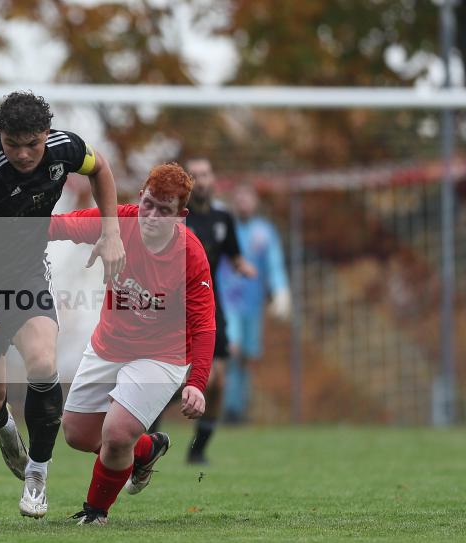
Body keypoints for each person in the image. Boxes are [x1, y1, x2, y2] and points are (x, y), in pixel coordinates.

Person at [0, 91, 125, 518]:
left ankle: (37, 473)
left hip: (27, 278)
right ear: (1, 137)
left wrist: (112, 232)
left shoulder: (65, 148)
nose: (23, 153)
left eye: (32, 143)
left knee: (42, 363)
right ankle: (3, 428)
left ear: (46, 135)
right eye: (13, 143)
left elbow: (101, 168)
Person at [49, 162, 215, 524]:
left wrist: (197, 384)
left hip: (162, 356)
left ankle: (95, 513)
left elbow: (204, 325)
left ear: (180, 215)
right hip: (110, 344)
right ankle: (147, 449)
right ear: (140, 197)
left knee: (117, 432)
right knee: (77, 434)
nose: (152, 215)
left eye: (164, 210)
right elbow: (65, 224)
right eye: (149, 204)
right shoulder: (118, 222)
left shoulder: (190, 255)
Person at [148, 157, 255, 466]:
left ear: (213, 179)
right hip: (171, 306)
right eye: (196, 176)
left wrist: (243, 266)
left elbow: (234, 255)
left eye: (206, 174)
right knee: (173, 381)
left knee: (218, 381)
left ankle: (197, 451)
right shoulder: (177, 216)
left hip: (210, 302)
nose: (203, 180)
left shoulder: (224, 217)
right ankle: (148, 435)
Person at [218, 183, 290, 423]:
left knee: (247, 357)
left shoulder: (264, 232)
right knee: (232, 350)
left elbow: (274, 264)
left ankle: (239, 407)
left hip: (253, 304)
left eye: (247, 199)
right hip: (227, 301)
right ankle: (228, 408)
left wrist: (280, 292)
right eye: (239, 199)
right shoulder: (225, 226)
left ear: (255, 203)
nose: (243, 204)